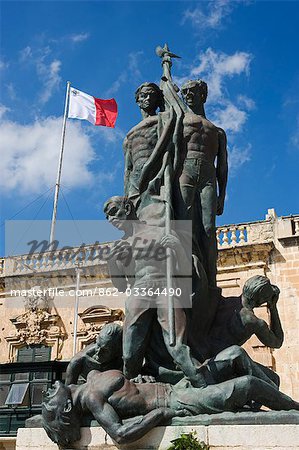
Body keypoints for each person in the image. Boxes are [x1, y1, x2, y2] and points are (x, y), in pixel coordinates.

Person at [42, 346, 299, 447]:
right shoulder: (93, 400)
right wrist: (160, 414)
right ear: (65, 408)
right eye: (47, 402)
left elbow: (75, 366)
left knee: (234, 354)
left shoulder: (88, 380)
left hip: (176, 384)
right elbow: (119, 435)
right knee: (248, 385)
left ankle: (277, 398)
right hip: (176, 401)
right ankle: (294, 409)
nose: (46, 392)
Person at [104, 195, 210, 388]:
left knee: (176, 343)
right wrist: (112, 261)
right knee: (129, 348)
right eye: (107, 217)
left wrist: (177, 246)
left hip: (166, 285)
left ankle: (202, 383)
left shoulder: (161, 232)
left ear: (127, 208)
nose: (111, 220)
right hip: (140, 289)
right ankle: (130, 382)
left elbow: (186, 270)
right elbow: (120, 286)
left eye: (113, 213)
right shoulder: (121, 245)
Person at [179, 79, 228, 288]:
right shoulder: (179, 122)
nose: (188, 94)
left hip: (208, 175)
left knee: (208, 229)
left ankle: (210, 281)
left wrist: (222, 196)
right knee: (182, 224)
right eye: (185, 91)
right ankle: (184, 275)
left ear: (203, 95)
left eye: (193, 91)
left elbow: (223, 167)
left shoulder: (217, 132)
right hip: (185, 171)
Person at [206, 275, 284, 357]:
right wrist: (273, 307)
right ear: (261, 299)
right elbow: (277, 342)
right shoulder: (253, 322)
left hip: (202, 350)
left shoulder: (223, 301)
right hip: (218, 359)